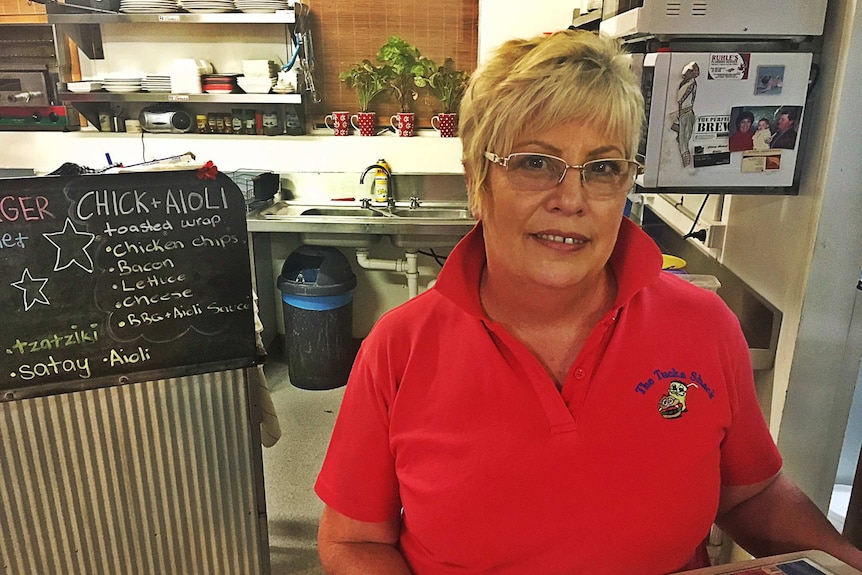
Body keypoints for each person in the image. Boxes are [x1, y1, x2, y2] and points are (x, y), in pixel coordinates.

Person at [314, 30, 862, 574]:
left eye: (603, 168)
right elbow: (354, 542)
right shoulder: (399, 348)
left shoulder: (703, 325)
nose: (571, 200)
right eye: (534, 163)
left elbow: (751, 495)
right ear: (477, 180)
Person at [676, 61, 699, 167]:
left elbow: (681, 98)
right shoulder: (685, 83)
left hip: (687, 112)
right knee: (682, 136)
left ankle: (686, 159)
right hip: (682, 113)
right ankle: (684, 157)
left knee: (684, 137)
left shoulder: (691, 84)